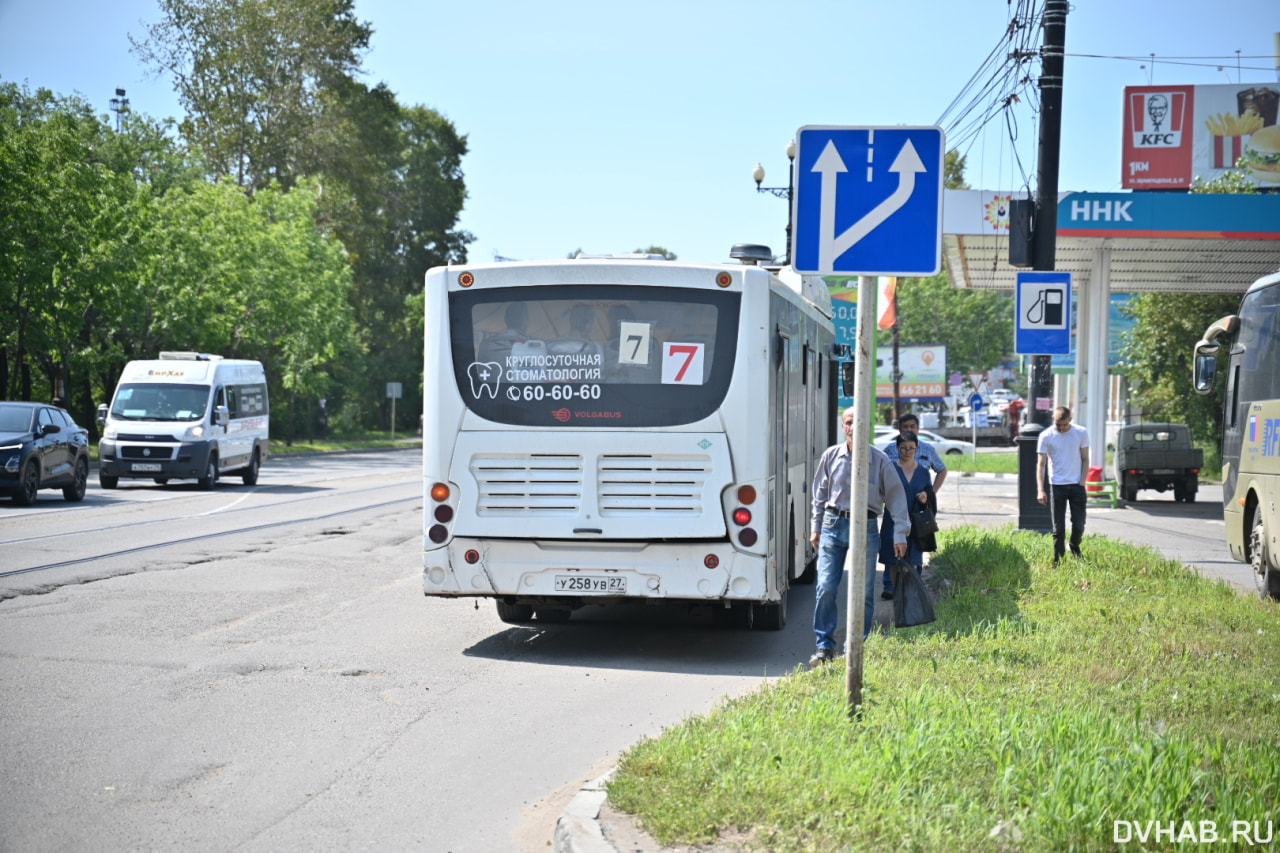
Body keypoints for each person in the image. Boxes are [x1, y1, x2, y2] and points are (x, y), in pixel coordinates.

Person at [809, 408, 910, 666]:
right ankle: (824, 647)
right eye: (849, 422)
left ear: (868, 426)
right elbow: (819, 494)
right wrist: (816, 526)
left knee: (864, 591)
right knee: (826, 587)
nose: (854, 426)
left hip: (865, 526)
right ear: (844, 427)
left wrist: (900, 533)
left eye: (859, 421)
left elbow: (896, 498)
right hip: (833, 524)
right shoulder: (831, 456)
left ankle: (856, 645)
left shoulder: (879, 461)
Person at [880, 411, 947, 597]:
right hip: (894, 512)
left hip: (917, 513)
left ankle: (914, 591)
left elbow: (941, 471)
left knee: (915, 551)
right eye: (905, 427)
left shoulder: (927, 450)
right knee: (891, 550)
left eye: (912, 426)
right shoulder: (889, 452)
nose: (907, 451)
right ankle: (890, 586)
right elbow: (881, 482)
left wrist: (929, 494)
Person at [1037, 405, 1090, 565]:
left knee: (1079, 524)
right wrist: (1041, 490)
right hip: (1057, 485)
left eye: (1064, 425)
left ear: (1070, 420)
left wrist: (1082, 482)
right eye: (1057, 424)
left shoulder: (1081, 432)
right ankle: (1058, 559)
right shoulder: (1046, 435)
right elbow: (1041, 464)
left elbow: (1086, 458)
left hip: (1076, 485)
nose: (1060, 428)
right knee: (1058, 529)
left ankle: (1074, 546)